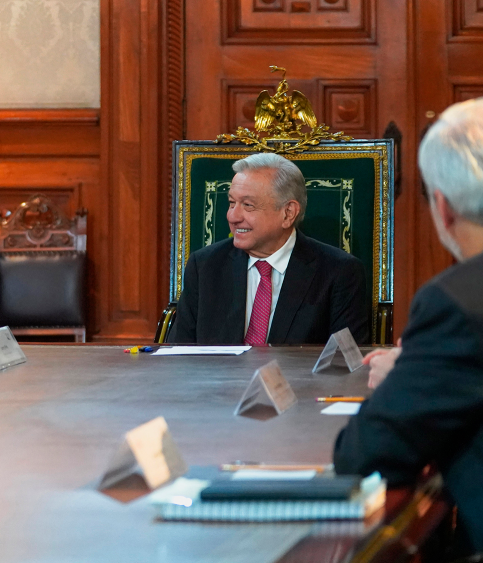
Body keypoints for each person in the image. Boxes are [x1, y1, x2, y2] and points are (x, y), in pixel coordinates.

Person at [334, 98, 483, 556]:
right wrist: (428, 364)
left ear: (442, 207)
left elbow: (366, 455)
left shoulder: (457, 302)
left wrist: (408, 374)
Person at [169, 152, 370, 345]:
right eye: (231, 203)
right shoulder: (204, 266)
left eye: (248, 205)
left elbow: (346, 363)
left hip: (298, 380)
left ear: (288, 213)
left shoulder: (339, 273)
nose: (233, 216)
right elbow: (179, 353)